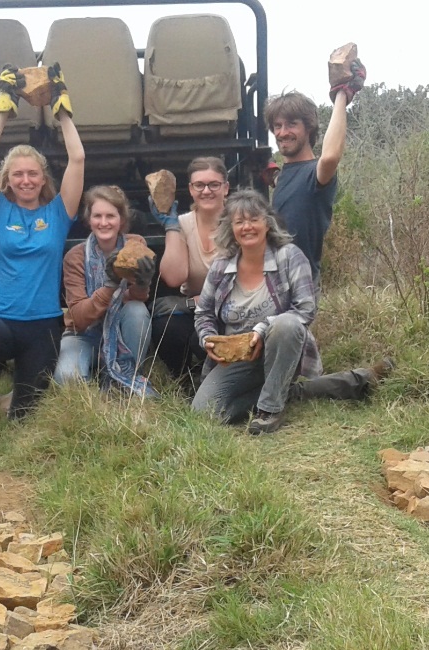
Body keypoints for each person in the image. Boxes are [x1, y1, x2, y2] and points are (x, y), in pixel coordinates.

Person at [0, 64, 85, 440]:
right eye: (18, 175)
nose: (26, 181)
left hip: (42, 328)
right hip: (1, 324)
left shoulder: (58, 214)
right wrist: (4, 107)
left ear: (43, 178)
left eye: (33, 174)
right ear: (7, 180)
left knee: (23, 419)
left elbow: (77, 159)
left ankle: (11, 398)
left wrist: (62, 112)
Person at [192, 190, 385, 435]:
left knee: (286, 324)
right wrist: (208, 338)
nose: (247, 227)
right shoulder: (221, 266)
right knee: (203, 413)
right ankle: (294, 391)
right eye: (239, 222)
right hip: (237, 359)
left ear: (267, 223)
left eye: (254, 219)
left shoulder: (290, 257)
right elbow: (203, 313)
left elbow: (305, 310)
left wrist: (262, 331)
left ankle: (270, 409)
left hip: (281, 350)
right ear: (230, 228)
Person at [264, 55, 366, 283]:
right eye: (277, 126)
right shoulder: (284, 175)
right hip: (271, 281)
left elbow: (330, 156)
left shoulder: (316, 174)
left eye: (291, 124)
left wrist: (342, 94)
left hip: (299, 284)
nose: (282, 132)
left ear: (309, 128)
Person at [55, 185, 155, 393]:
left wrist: (142, 282)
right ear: (88, 219)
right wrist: (111, 284)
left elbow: (138, 298)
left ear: (122, 219)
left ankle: (124, 377)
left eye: (110, 216)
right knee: (67, 379)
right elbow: (79, 317)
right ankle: (98, 366)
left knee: (137, 310)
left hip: (120, 326)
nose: (103, 223)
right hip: (83, 333)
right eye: (97, 216)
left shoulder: (135, 244)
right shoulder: (75, 257)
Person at [148, 156, 228, 387]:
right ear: (191, 190)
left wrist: (190, 304)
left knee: (199, 340)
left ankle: (217, 381)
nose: (206, 191)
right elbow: (173, 276)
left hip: (234, 308)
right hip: (199, 307)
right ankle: (185, 381)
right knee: (166, 327)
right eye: (199, 185)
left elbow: (239, 285)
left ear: (226, 188)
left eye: (214, 184)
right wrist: (171, 227)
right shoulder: (183, 222)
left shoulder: (239, 222)